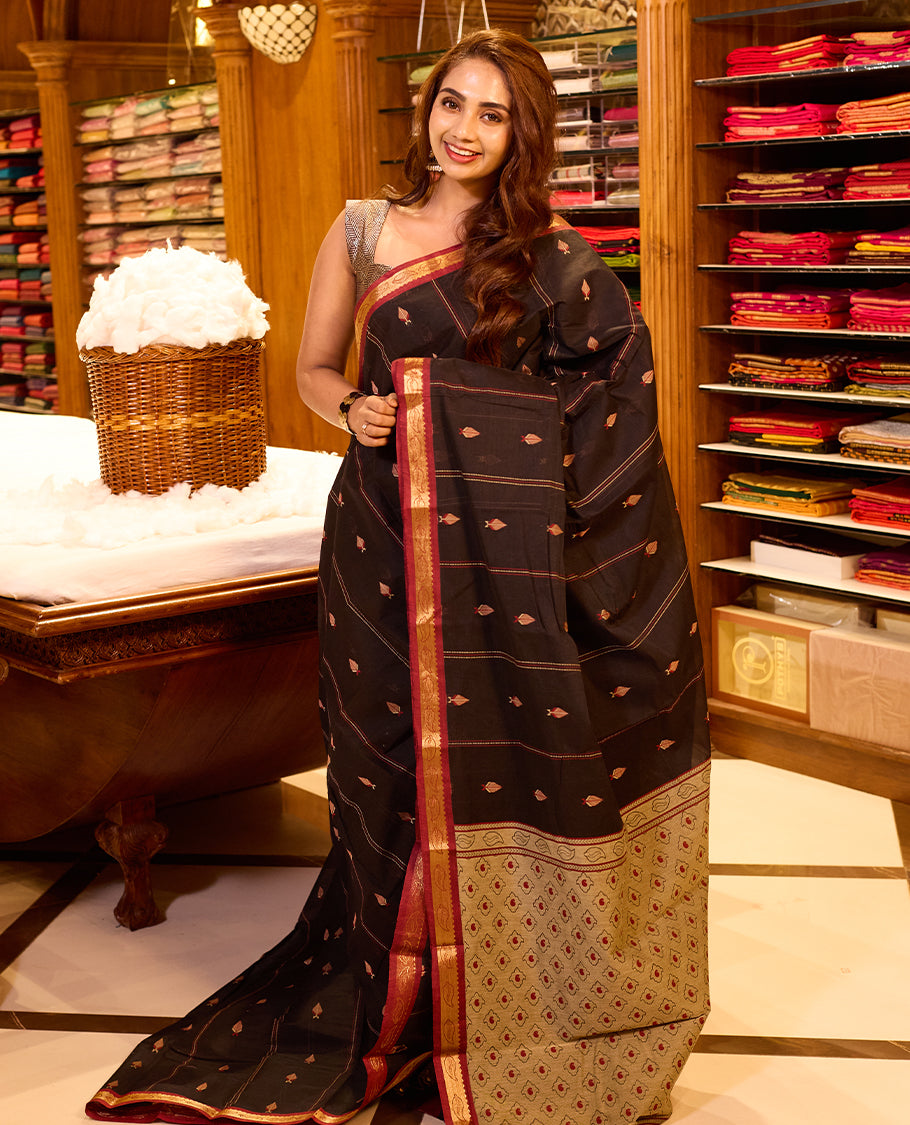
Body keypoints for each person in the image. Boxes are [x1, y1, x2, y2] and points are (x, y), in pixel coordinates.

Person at [86, 28, 711, 1125]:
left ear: (521, 134)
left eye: (491, 114)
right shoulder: (364, 231)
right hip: (378, 535)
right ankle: (390, 991)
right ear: (424, 111)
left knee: (498, 763)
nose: (462, 129)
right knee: (380, 769)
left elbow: (615, 393)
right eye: (450, 104)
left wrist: (470, 428)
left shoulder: (551, 252)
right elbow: (315, 368)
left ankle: (502, 1009)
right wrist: (358, 409)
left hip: (504, 567)